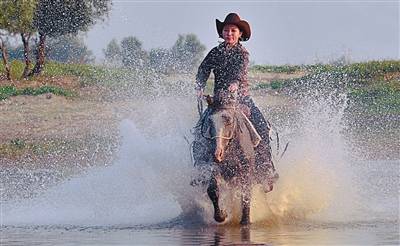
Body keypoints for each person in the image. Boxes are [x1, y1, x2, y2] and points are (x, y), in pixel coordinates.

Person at [194, 13, 277, 191]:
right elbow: (203, 69)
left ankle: (265, 168)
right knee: (199, 130)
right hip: (219, 101)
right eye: (226, 30)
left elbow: (240, 70)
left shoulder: (242, 53)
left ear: (239, 34)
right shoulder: (215, 52)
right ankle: (200, 169)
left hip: (241, 99)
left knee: (261, 126)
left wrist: (235, 83)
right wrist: (199, 86)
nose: (229, 33)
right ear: (222, 33)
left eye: (233, 30)